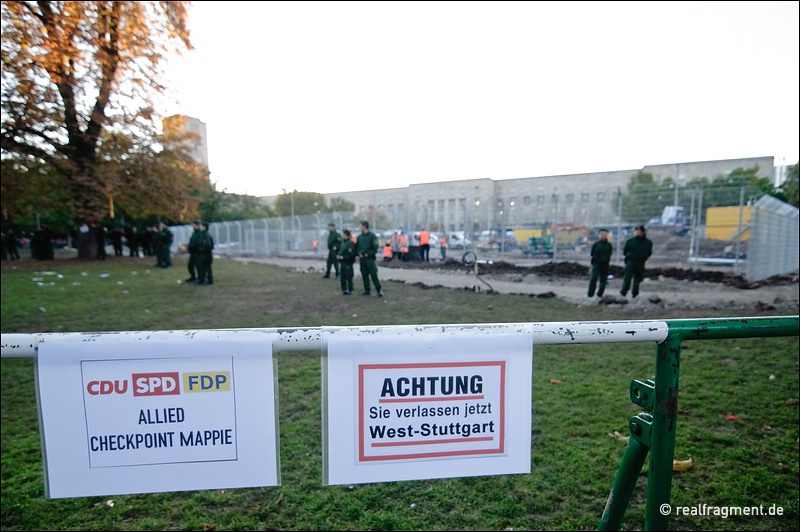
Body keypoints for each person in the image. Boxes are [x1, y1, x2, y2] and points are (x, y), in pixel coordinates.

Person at [620, 225, 653, 298]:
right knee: (627, 278)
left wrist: (643, 257)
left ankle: (635, 293)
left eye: (639, 231)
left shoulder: (648, 243)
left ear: (643, 232)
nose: (637, 232)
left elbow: (649, 252)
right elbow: (625, 251)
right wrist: (630, 256)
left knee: (638, 279)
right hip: (631, 261)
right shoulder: (630, 241)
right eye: (636, 231)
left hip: (640, 262)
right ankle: (623, 292)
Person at [356, 220, 383, 297]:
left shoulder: (372, 236)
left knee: (373, 274)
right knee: (364, 274)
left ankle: (379, 289)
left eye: (361, 226)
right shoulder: (359, 237)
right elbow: (357, 247)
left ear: (364, 226)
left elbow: (375, 247)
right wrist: (359, 253)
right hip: (362, 259)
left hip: (369, 259)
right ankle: (367, 290)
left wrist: (368, 253)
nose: (359, 227)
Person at [588, 228, 613, 298]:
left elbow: (609, 253)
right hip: (596, 263)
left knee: (603, 279)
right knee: (593, 278)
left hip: (605, 264)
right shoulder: (596, 244)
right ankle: (590, 293)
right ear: (599, 235)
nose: (603, 236)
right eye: (601, 234)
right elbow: (592, 253)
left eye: (604, 234)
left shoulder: (608, 245)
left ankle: (600, 293)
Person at [337, 228, 357, 295]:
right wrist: (339, 256)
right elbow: (341, 250)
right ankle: (344, 289)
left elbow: (351, 253)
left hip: (348, 262)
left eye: (344, 234)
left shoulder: (350, 243)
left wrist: (344, 257)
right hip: (342, 262)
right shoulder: (343, 242)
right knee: (343, 276)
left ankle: (350, 289)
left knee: (349, 276)